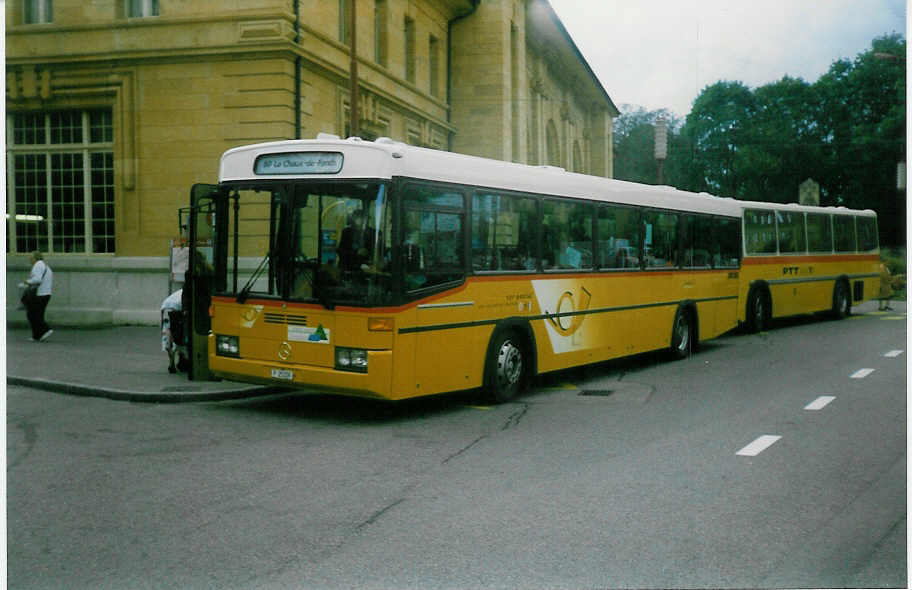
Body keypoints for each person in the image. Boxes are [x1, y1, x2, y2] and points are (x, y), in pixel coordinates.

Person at [20, 250, 53, 342]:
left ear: (35, 258)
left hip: (40, 294)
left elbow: (37, 279)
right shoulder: (45, 266)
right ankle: (37, 335)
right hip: (46, 293)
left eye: (31, 257)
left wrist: (27, 281)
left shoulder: (38, 265)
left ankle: (46, 329)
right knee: (38, 314)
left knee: (32, 314)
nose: (29, 259)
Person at [161, 288, 187, 373]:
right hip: (177, 308)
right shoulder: (192, 291)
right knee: (180, 333)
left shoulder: (182, 290)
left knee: (168, 331)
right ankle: (182, 358)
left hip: (166, 307)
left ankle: (171, 362)